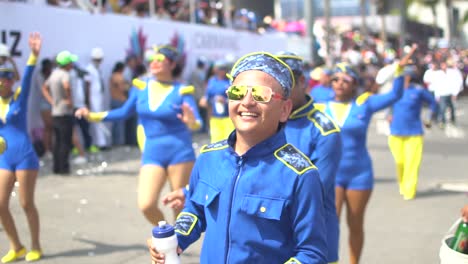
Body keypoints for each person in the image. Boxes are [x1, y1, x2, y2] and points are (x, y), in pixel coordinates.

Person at [161, 52, 343, 262]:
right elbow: (195, 210)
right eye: (237, 92)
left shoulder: (300, 175)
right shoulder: (208, 158)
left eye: (260, 94)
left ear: (284, 110)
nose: (247, 102)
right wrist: (175, 240)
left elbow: (312, 253)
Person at [75, 45, 203, 226]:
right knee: (146, 204)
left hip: (180, 153)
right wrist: (92, 116)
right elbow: (123, 112)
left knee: (179, 207)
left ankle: (176, 247)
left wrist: (191, 121)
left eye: (160, 60)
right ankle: (167, 235)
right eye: (152, 60)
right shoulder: (141, 87)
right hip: (153, 153)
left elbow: (197, 122)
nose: (154, 63)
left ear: (172, 64)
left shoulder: (182, 91)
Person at [314, 45, 416, 264]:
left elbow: (396, 95)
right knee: (329, 224)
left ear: (354, 85)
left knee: (356, 223)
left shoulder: (364, 104)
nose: (339, 83)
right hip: (331, 175)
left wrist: (398, 71)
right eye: (335, 79)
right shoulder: (320, 106)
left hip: (359, 173)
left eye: (345, 80)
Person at [277, 52, 342, 263]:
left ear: (302, 81)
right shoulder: (267, 121)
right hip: (272, 235)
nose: (280, 91)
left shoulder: (324, 131)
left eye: (287, 83)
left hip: (312, 237)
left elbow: (316, 190)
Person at [0, 32, 43, 263]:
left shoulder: (19, 99)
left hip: (25, 156)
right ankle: (16, 246)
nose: (3, 81)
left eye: (7, 78)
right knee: (0, 204)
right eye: (0, 77)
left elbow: (26, 79)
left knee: (26, 203)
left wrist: (33, 56)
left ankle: (36, 245)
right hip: (4, 158)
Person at [387, 66, 437, 200]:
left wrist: (428, 118)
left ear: (409, 77)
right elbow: (388, 104)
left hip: (414, 133)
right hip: (396, 132)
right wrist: (389, 115)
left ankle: (409, 190)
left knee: (412, 163)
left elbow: (433, 103)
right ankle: (402, 185)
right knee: (400, 162)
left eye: (405, 76)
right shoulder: (395, 91)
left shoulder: (418, 91)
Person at [42, 50, 77, 175]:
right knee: (65, 141)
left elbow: (44, 88)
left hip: (55, 112)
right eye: (71, 62)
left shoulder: (54, 73)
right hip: (64, 112)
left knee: (57, 141)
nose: (72, 64)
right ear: (66, 64)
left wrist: (52, 101)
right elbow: (66, 86)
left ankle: (56, 167)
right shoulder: (64, 74)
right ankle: (64, 168)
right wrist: (69, 100)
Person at [199, 59, 234, 142]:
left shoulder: (230, 82)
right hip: (214, 117)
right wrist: (205, 100)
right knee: (215, 141)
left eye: (222, 68)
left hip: (228, 118)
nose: (219, 71)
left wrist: (225, 101)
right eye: (218, 68)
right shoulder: (212, 81)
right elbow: (208, 96)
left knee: (228, 141)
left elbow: (236, 99)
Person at [85, 47, 111, 150]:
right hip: (93, 98)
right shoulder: (89, 69)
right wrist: (87, 100)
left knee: (100, 118)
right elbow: (87, 86)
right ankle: (101, 143)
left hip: (99, 97)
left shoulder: (97, 69)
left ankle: (102, 142)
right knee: (96, 120)